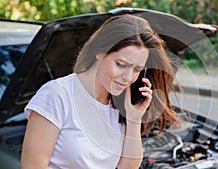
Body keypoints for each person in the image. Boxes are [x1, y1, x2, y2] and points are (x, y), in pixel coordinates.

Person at [21, 14, 180, 169]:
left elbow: (128, 167)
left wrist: (134, 119)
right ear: (100, 52)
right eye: (121, 64)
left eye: (137, 69)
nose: (128, 77)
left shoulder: (120, 103)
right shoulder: (56, 95)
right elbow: (32, 166)